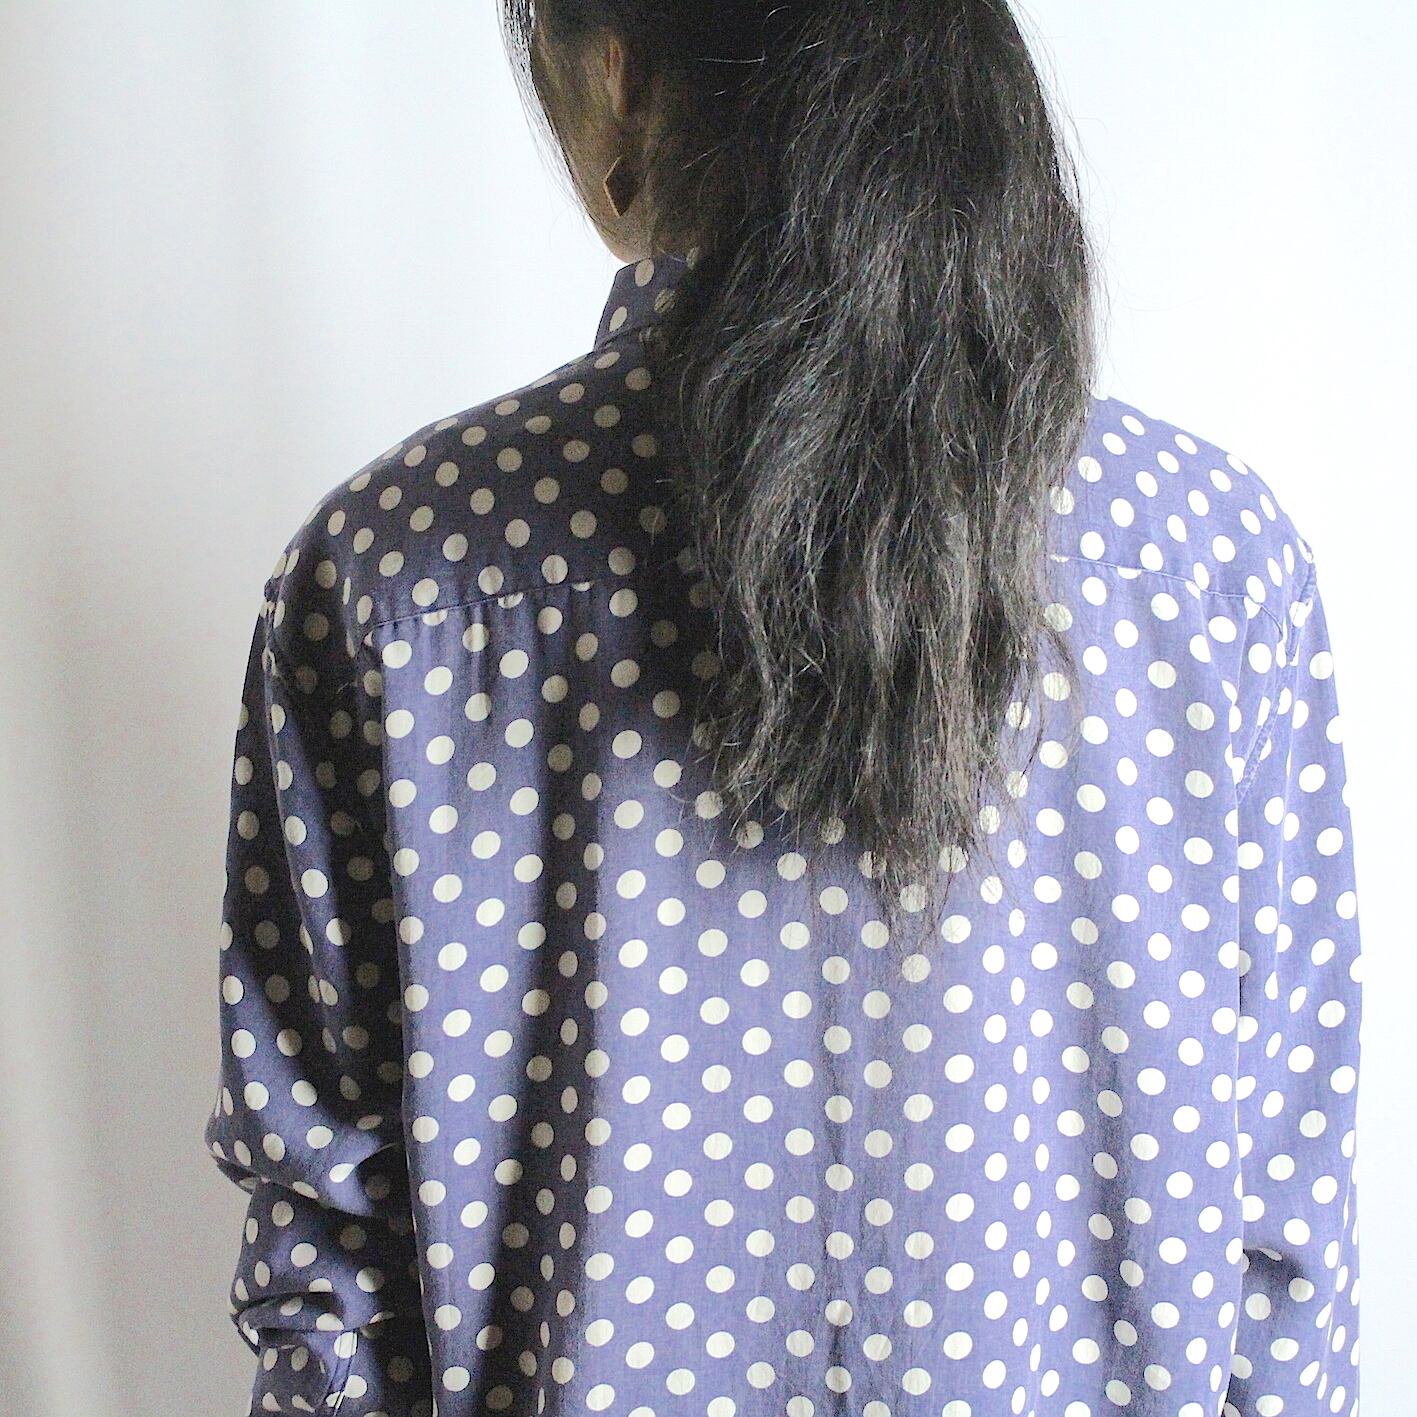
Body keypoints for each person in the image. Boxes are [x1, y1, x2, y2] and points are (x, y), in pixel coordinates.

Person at [201, 3, 1363, 1415]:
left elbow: (331, 1249)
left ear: (616, 73)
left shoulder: (405, 568)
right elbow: (1282, 1225)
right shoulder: (1210, 556)